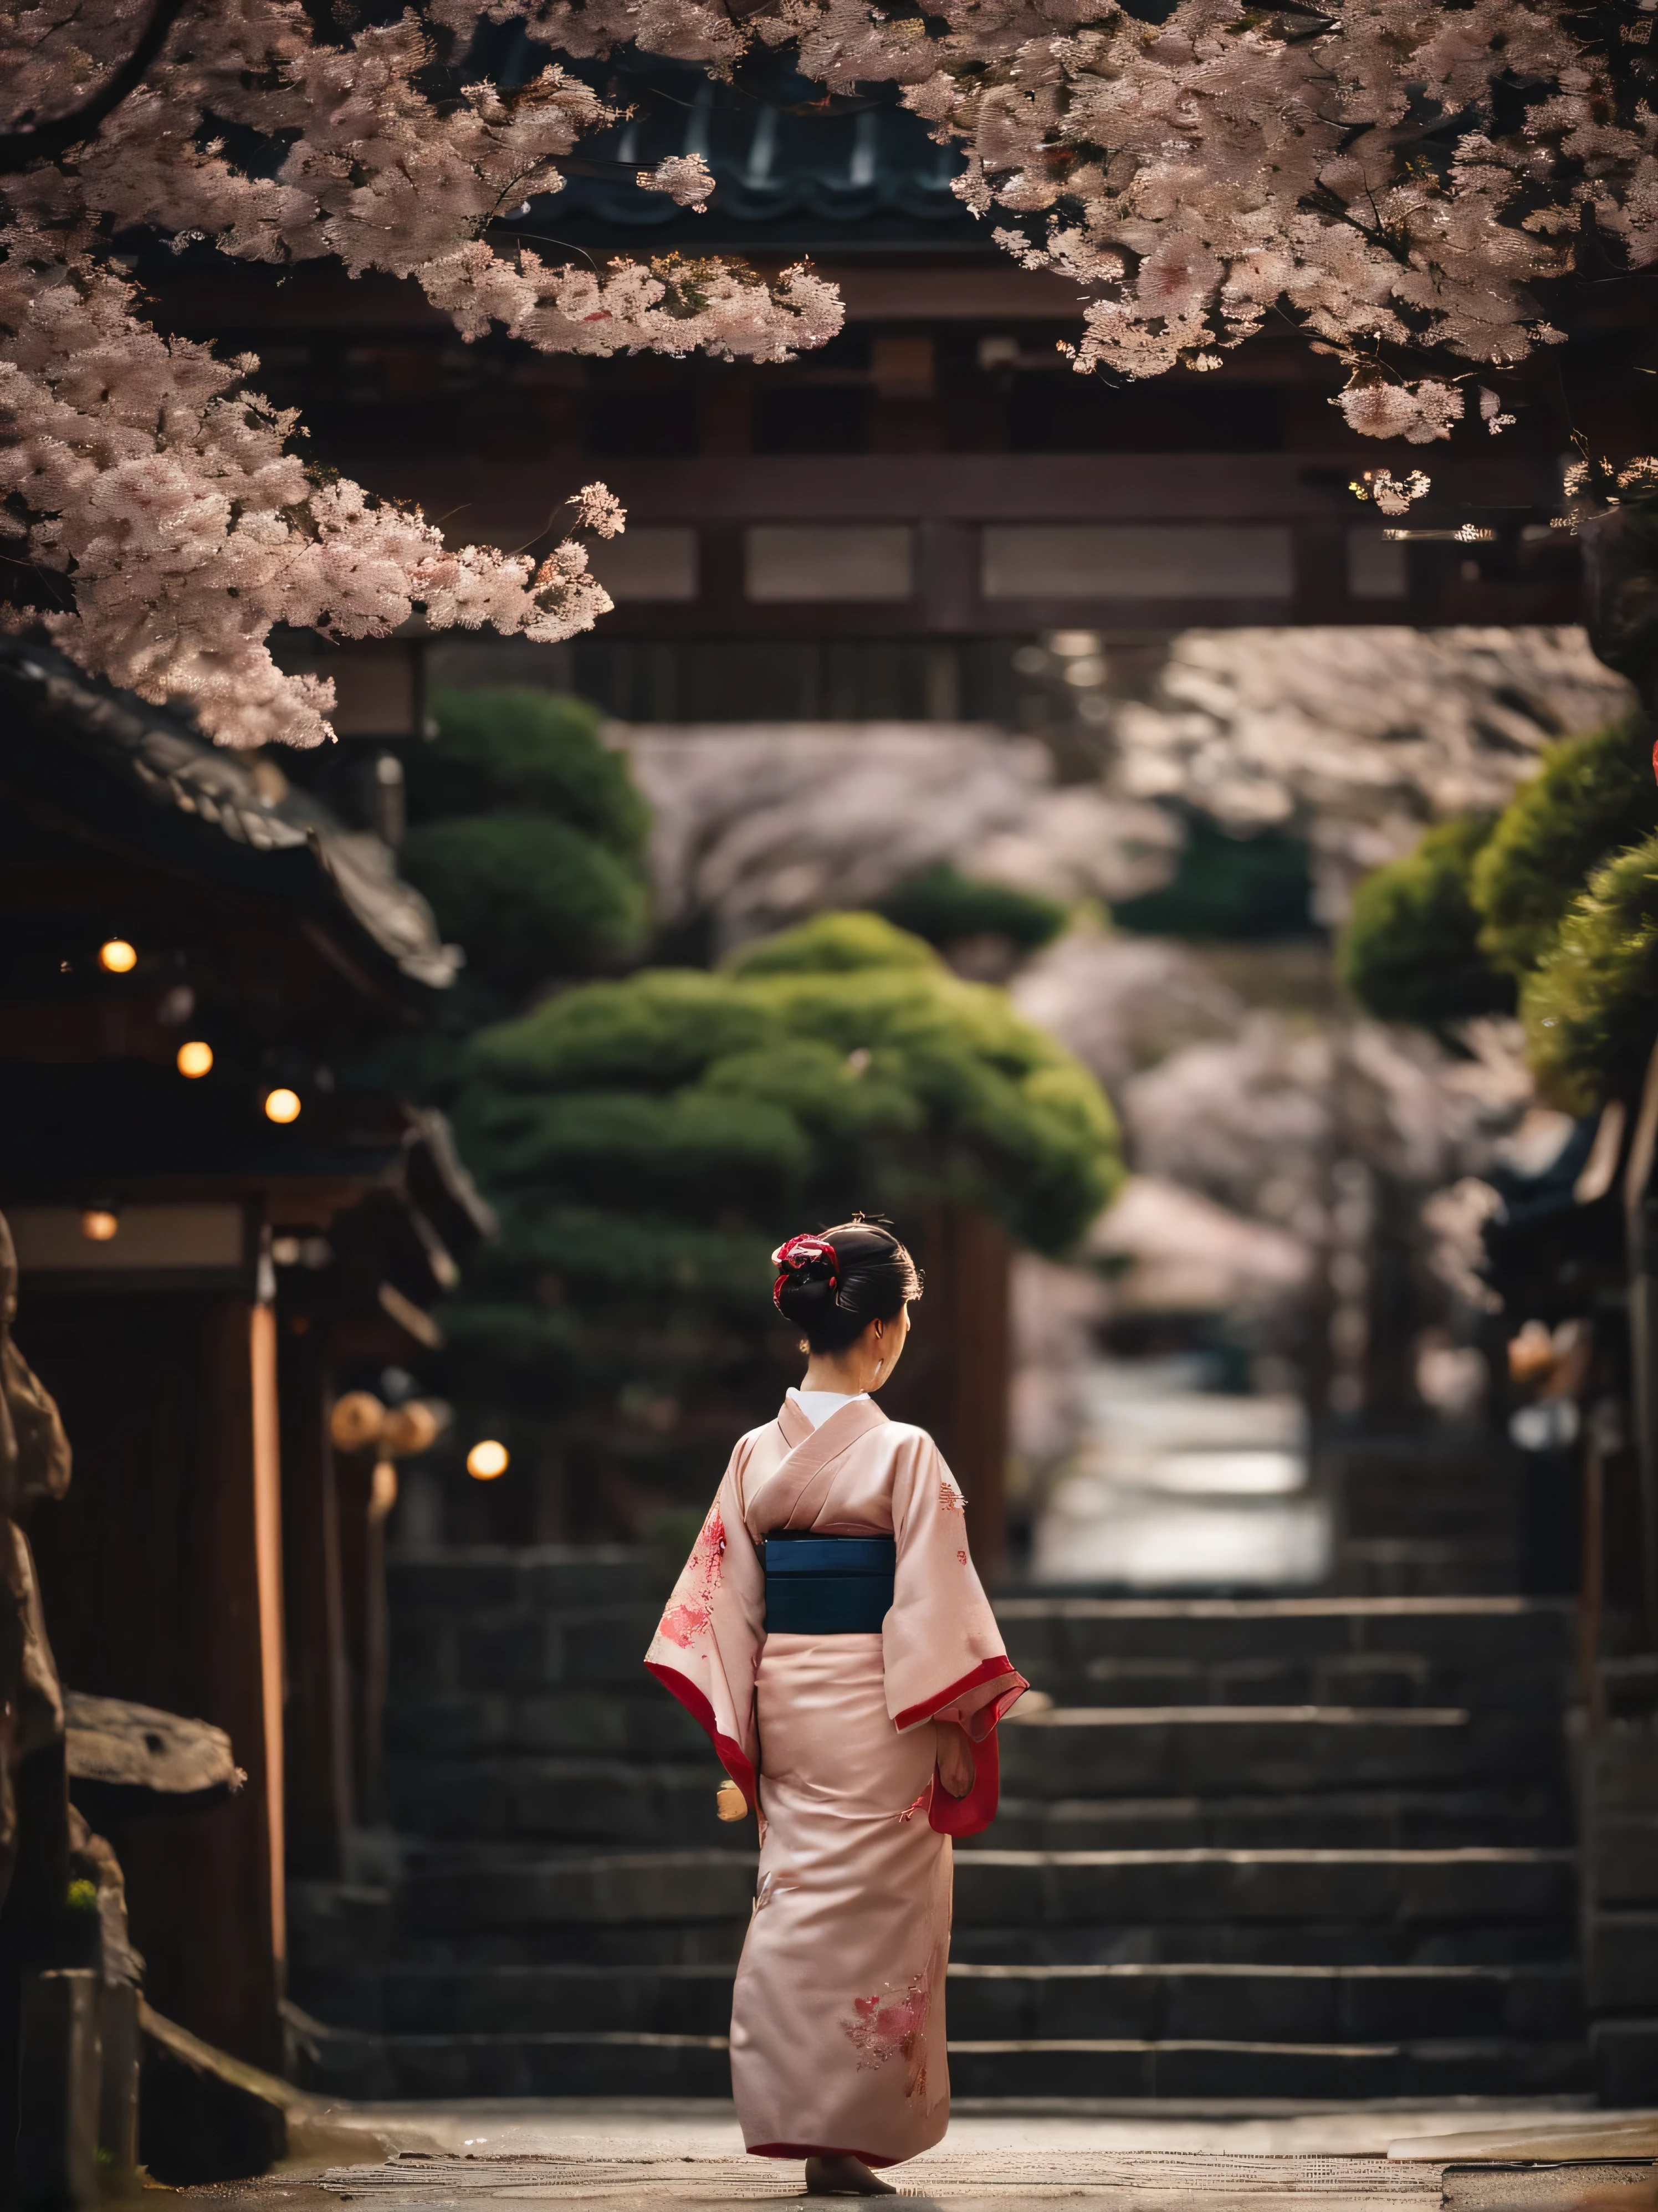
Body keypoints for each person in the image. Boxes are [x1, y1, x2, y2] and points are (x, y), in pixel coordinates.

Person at [644, 1216, 1026, 2197]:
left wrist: (748, 1712)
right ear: (887, 1328)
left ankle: (805, 2120)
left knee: (795, 1899)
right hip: (884, 1706)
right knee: (884, 1910)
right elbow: (934, 1601)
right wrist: (952, 1719)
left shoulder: (750, 1454)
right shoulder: (904, 1452)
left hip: (788, 1701)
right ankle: (842, 2135)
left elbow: (724, 1599)